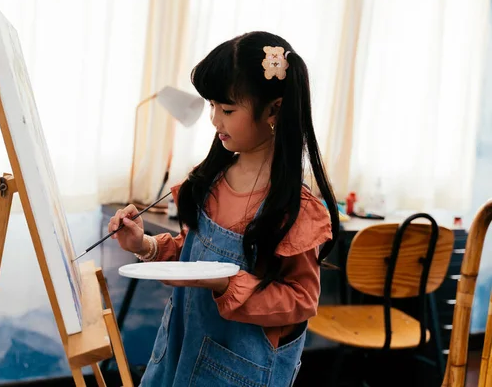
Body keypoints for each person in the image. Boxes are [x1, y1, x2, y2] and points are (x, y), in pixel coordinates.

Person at [108, 31, 339, 387]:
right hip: (178, 353)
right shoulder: (210, 181)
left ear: (274, 109)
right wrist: (145, 246)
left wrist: (228, 282)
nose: (215, 120)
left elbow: (301, 300)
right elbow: (193, 252)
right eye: (213, 106)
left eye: (228, 110)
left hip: (238, 371)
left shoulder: (294, 208)